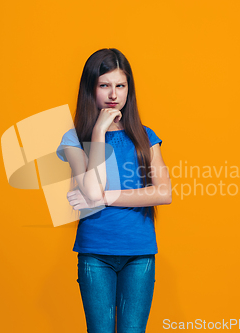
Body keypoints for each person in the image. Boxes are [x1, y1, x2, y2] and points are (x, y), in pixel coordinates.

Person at [56, 48, 172, 333]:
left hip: (139, 251)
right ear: (91, 88)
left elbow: (163, 193)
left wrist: (106, 198)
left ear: (128, 90)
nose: (113, 95)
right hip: (95, 252)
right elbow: (92, 192)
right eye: (104, 85)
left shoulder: (145, 137)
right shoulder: (73, 139)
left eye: (120, 86)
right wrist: (98, 133)